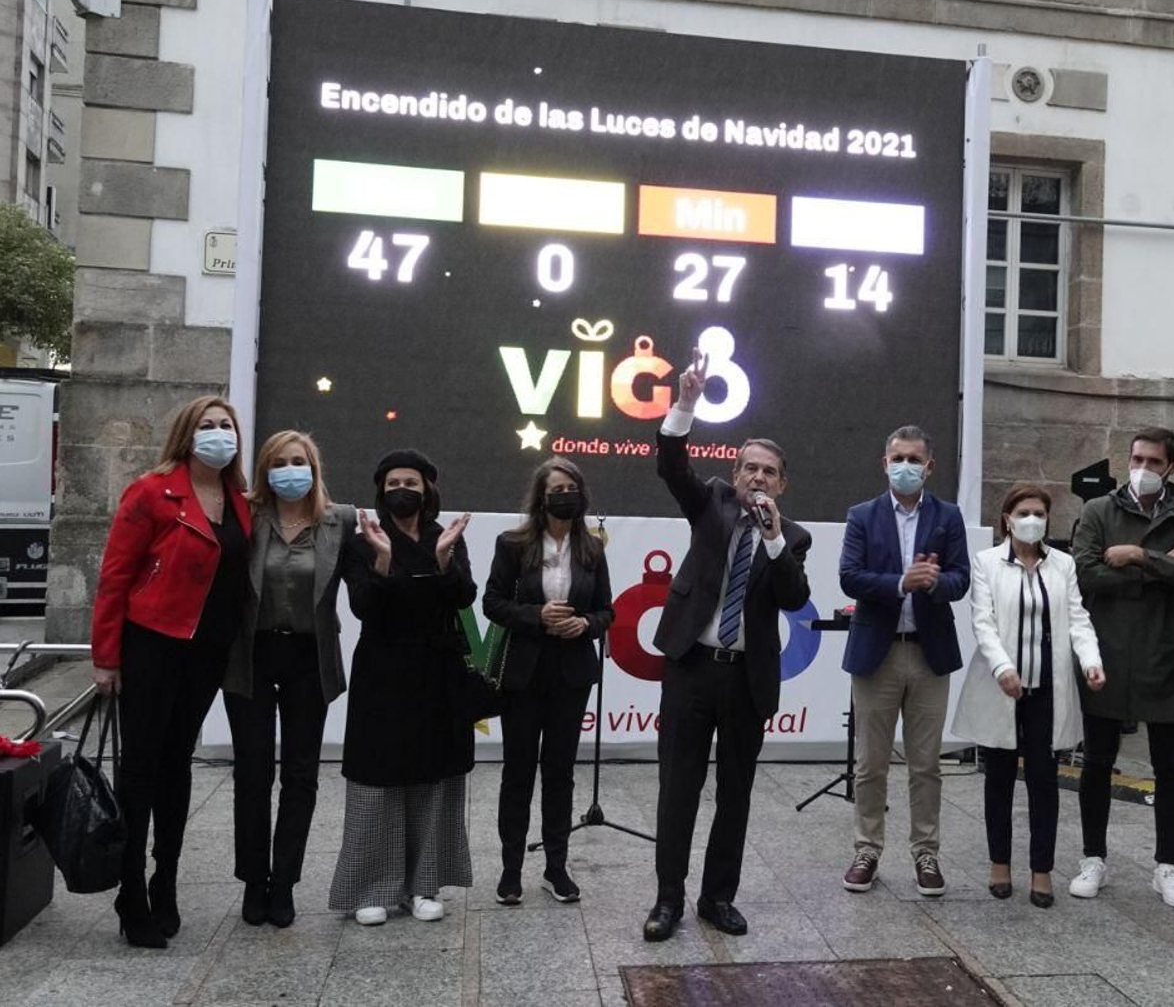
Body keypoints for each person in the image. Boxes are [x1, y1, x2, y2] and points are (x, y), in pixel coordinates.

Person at [642, 350, 812, 942]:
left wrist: (773, 540)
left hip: (746, 678)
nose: (757, 478)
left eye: (769, 472)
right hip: (692, 669)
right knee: (678, 789)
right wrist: (685, 404)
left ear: (782, 483)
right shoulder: (709, 503)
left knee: (734, 794)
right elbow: (672, 467)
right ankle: (668, 899)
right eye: (749, 469)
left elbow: (793, 597)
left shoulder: (793, 537)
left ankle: (718, 898)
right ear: (734, 475)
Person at [90, 396, 252, 949]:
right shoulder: (151, 492)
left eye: (226, 425)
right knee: (140, 766)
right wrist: (106, 656)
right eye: (207, 425)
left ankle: (166, 880)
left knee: (177, 763)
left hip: (207, 652)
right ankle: (131, 890)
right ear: (187, 434)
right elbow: (115, 576)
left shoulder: (239, 499)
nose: (218, 433)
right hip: (152, 643)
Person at [328, 450, 475, 927]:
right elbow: (363, 607)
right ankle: (370, 888)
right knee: (377, 780)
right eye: (393, 483)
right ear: (381, 490)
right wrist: (384, 560)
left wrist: (444, 560)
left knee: (433, 778)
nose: (402, 491)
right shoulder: (362, 543)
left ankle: (423, 886)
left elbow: (464, 598)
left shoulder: (444, 537)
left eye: (410, 482)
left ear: (427, 489)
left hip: (438, 673)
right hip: (383, 673)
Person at [222, 430, 356, 928]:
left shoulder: (340, 520)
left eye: (299, 461)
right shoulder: (245, 514)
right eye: (279, 462)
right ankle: (253, 881)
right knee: (252, 772)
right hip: (252, 654)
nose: (289, 470)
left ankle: (284, 882)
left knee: (300, 775)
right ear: (264, 470)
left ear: (314, 469)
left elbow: (365, 585)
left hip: (308, 657)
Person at [1070, 427, 1174, 907]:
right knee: (1097, 760)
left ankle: (1167, 864)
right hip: (1108, 647)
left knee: (1169, 764)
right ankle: (1093, 858)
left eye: (1153, 462)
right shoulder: (1098, 510)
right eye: (1136, 459)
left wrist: (1137, 555)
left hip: (1166, 651)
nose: (1142, 469)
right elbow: (1085, 573)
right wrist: (1157, 570)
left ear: (1172, 466)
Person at [953, 484, 1106, 907]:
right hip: (1002, 686)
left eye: (1039, 513)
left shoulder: (1062, 564)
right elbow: (983, 622)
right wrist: (1003, 668)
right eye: (1023, 513)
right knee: (999, 776)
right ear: (1007, 519)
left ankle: (1042, 869)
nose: (1032, 520)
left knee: (1043, 779)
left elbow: (1077, 618)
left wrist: (1090, 661)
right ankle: (999, 863)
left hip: (1047, 689)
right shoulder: (987, 562)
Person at [838, 426, 970, 897]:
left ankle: (925, 852)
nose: (906, 467)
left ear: (929, 466)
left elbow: (961, 579)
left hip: (929, 653)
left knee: (926, 764)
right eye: (898, 458)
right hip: (878, 652)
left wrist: (934, 582)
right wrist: (901, 583)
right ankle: (867, 849)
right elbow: (849, 577)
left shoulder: (948, 516)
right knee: (870, 763)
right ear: (885, 463)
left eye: (914, 459)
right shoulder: (863, 515)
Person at [484, 457, 614, 906]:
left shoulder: (592, 549)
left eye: (570, 488)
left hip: (571, 675)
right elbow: (493, 602)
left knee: (560, 773)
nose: (564, 496)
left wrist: (586, 625)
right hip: (523, 674)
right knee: (517, 771)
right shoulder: (513, 544)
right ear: (540, 496)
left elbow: (606, 610)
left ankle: (556, 867)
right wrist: (536, 615)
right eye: (556, 489)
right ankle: (511, 870)